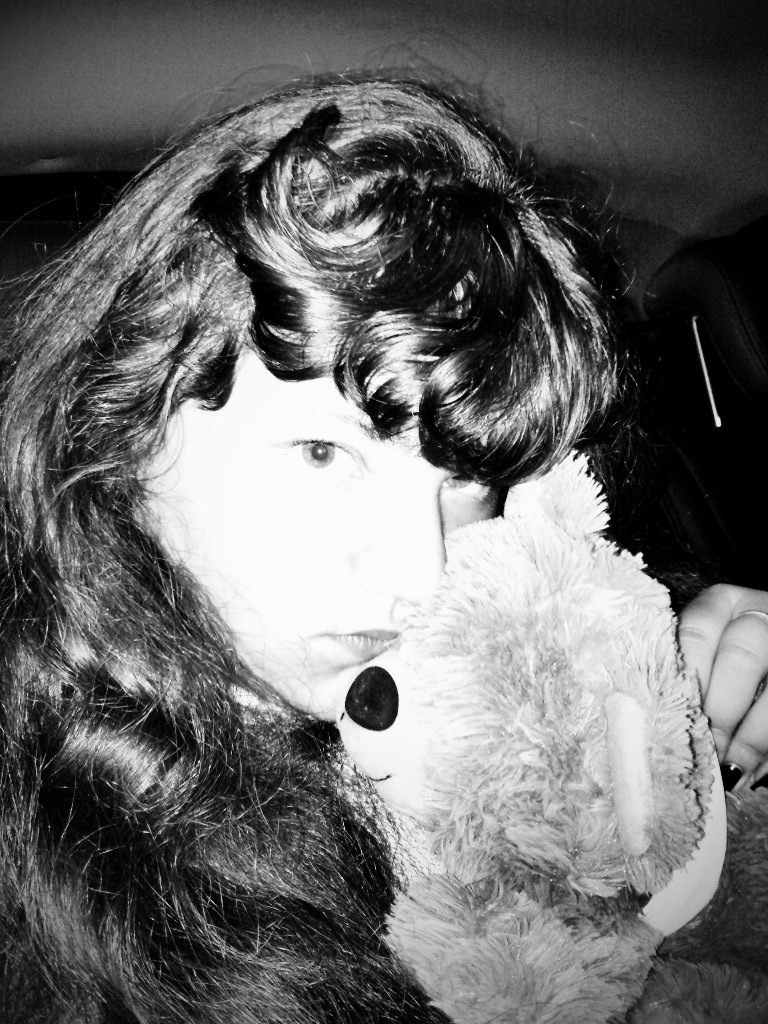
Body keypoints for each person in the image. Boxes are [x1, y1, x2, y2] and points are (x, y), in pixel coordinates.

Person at [1, 76, 767, 1023]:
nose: (422, 575)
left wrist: (709, 690)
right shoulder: (37, 881)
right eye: (324, 453)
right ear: (122, 434)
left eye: (468, 482)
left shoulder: (550, 690)